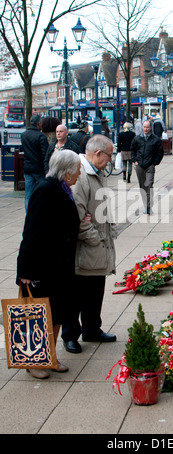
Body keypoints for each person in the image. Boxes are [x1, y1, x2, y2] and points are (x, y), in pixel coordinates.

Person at [16, 150, 81, 379]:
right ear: (67, 170)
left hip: (59, 265)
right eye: (77, 169)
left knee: (56, 314)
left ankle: (49, 356)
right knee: (37, 315)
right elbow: (31, 231)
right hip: (41, 266)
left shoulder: (62, 188)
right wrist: (24, 270)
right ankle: (33, 361)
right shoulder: (45, 189)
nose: (79, 172)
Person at [62, 135, 117, 354]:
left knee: (96, 290)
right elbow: (78, 217)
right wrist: (95, 238)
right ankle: (70, 336)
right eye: (110, 155)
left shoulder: (97, 172)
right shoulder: (81, 176)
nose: (111, 160)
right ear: (97, 154)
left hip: (98, 244)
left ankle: (92, 329)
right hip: (86, 247)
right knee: (76, 295)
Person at [131, 120, 164, 214]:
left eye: (147, 127)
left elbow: (160, 152)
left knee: (148, 185)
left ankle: (149, 206)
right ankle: (145, 205)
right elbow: (132, 150)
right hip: (139, 165)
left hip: (150, 166)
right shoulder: (137, 138)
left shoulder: (155, 139)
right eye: (144, 127)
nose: (146, 129)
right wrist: (135, 160)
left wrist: (155, 162)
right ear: (142, 127)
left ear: (150, 128)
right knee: (142, 187)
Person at [21, 114, 49, 212]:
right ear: (38, 123)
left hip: (27, 168)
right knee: (43, 192)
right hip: (39, 169)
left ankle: (28, 215)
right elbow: (45, 154)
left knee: (28, 194)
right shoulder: (41, 136)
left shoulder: (24, 135)